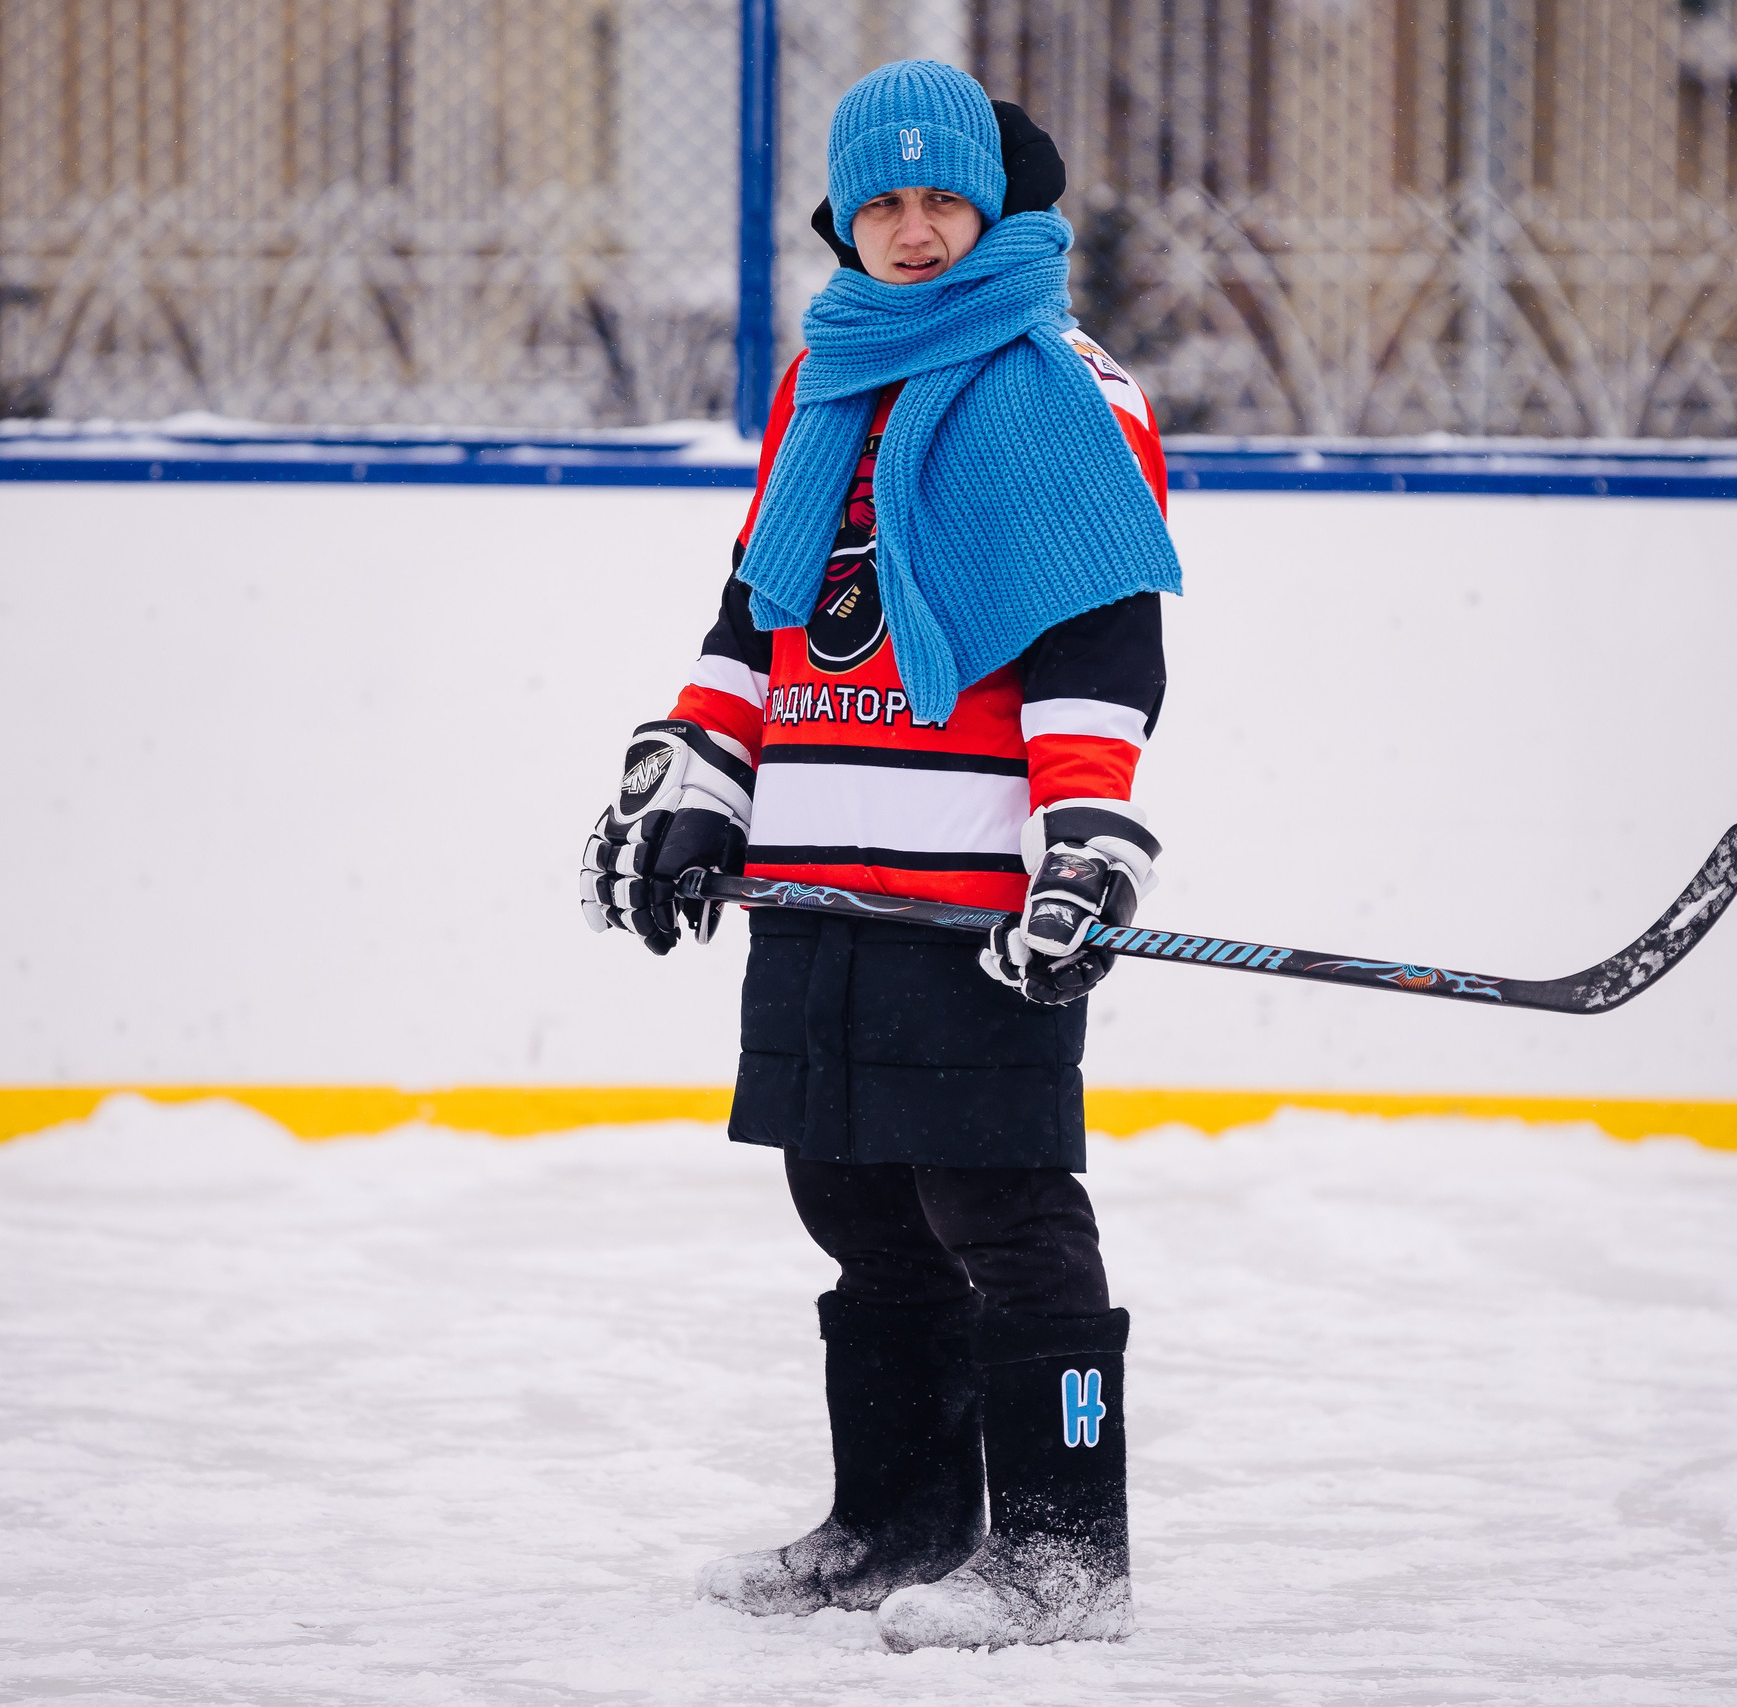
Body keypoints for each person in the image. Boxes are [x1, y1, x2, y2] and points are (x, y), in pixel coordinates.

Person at [578, 60, 1179, 1653]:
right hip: (815, 874)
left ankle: (1063, 1556)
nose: (914, 232)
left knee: (1002, 1208)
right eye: (883, 205)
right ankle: (900, 1519)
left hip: (969, 889)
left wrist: (1085, 844)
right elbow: (760, 621)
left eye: (942, 199)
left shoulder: (1058, 380)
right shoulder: (823, 379)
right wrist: (692, 782)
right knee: (847, 1194)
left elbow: (1097, 639)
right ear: (846, 220)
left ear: (994, 201)